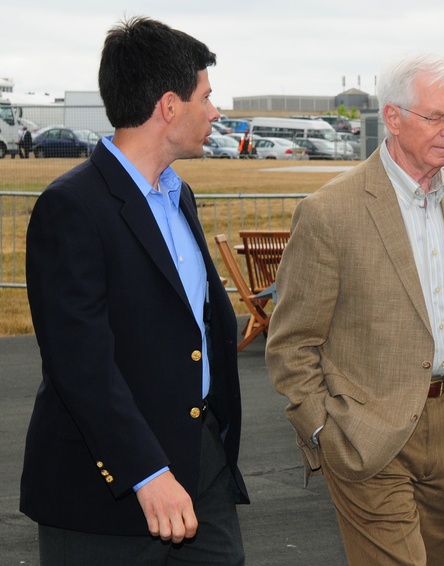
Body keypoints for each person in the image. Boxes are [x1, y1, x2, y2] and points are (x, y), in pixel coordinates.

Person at [266, 52, 444, 566]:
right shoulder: (331, 212)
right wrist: (322, 428)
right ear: (394, 118)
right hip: (367, 430)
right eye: (437, 116)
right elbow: (292, 342)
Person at [21, 17, 248, 565]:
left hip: (203, 473)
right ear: (169, 106)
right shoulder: (72, 206)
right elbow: (80, 364)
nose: (215, 112)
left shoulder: (180, 196)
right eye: (206, 96)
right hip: (107, 495)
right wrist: (146, 471)